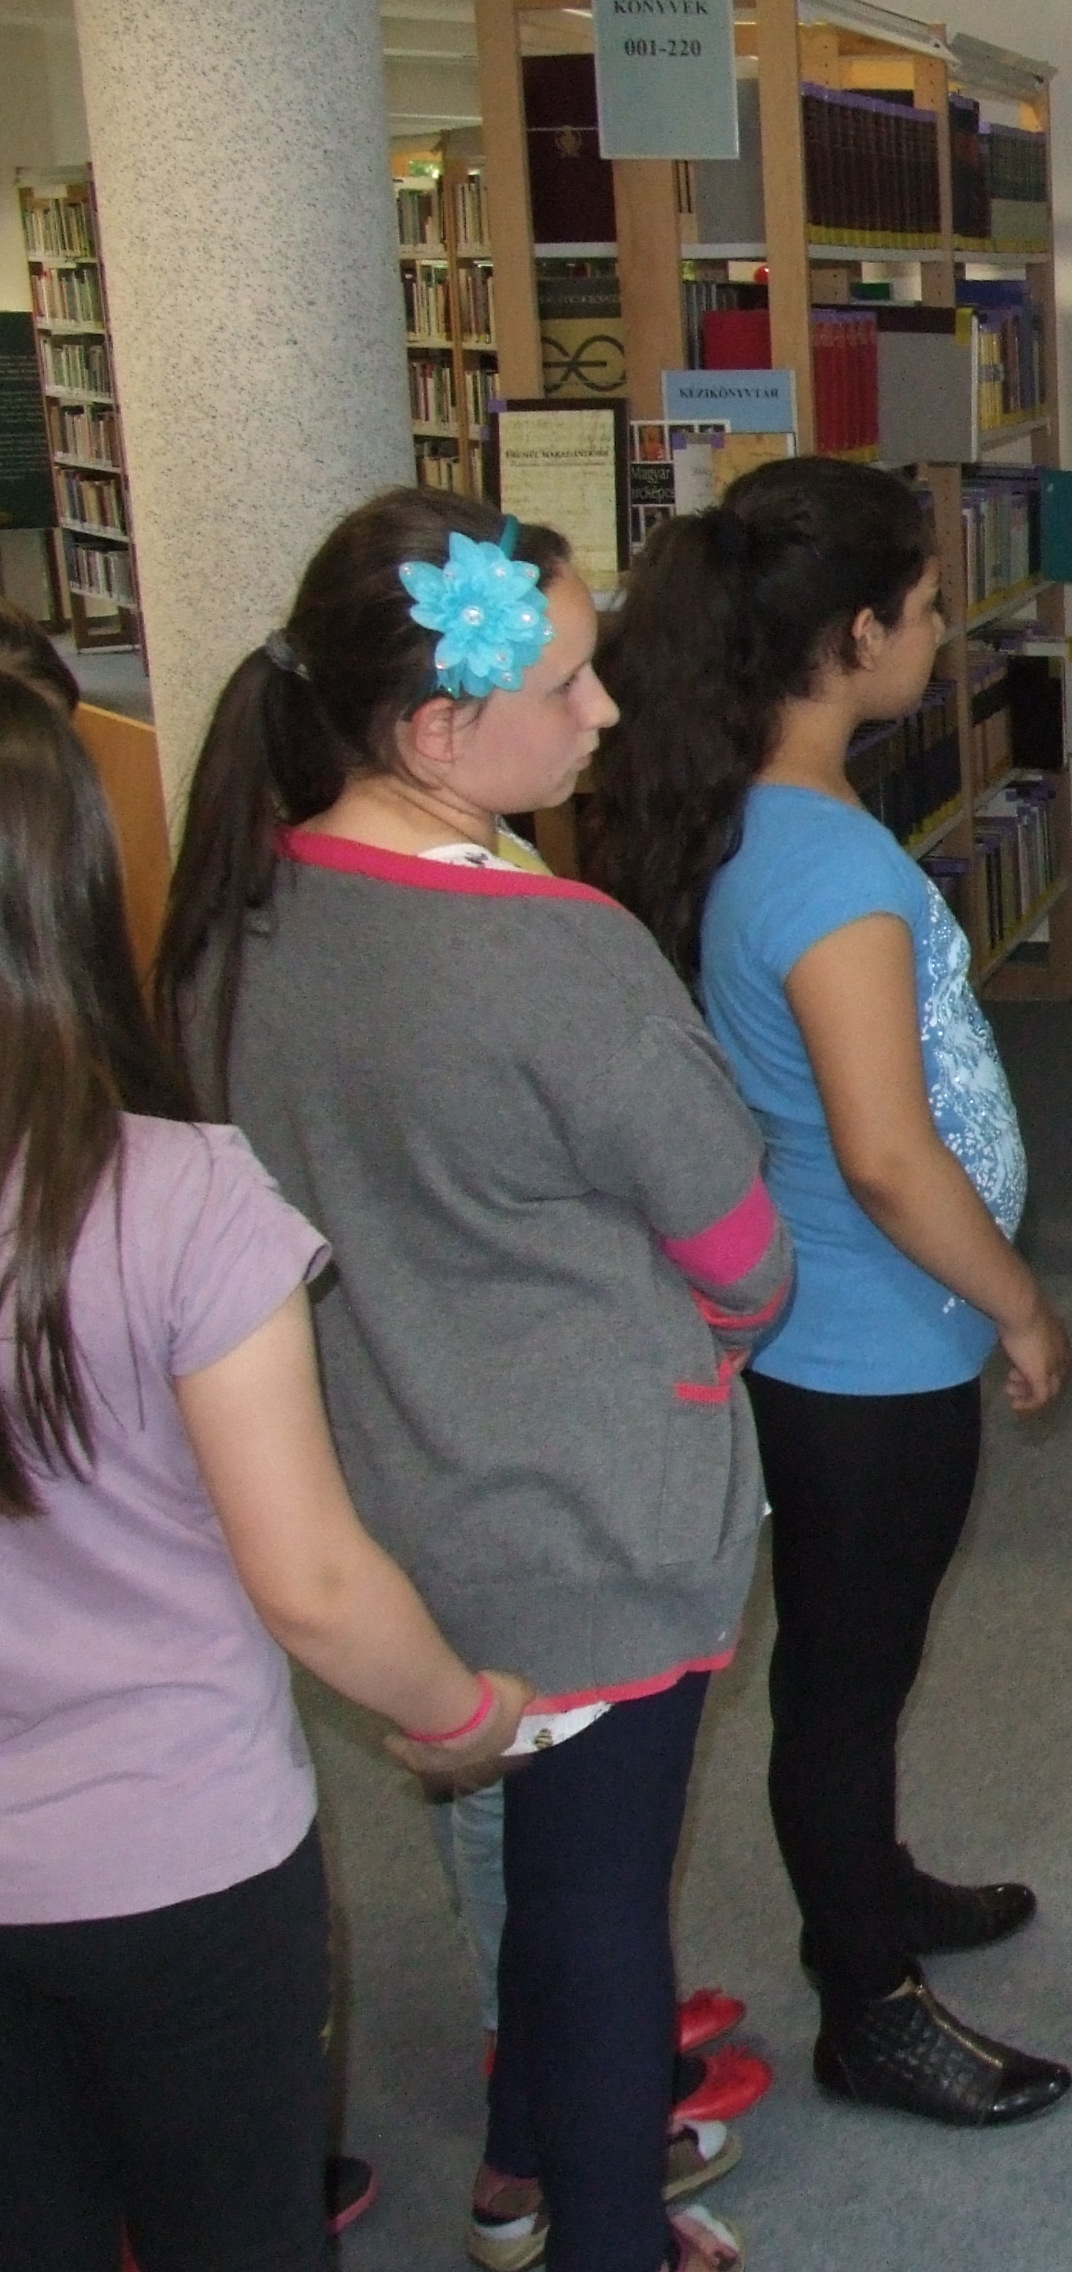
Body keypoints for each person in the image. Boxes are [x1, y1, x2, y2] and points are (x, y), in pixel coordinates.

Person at [154, 492, 791, 2272]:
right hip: (590, 1516)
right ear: (439, 733)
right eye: (568, 683)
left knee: (532, 1870)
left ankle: (519, 2163)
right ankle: (606, 2230)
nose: (605, 712)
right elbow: (742, 1246)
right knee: (599, 1910)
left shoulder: (234, 916)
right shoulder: (555, 946)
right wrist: (707, 1343)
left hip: (377, 1497)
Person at [0, 679, 534, 2272]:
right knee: (236, 2226)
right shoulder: (177, 1198)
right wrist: (457, 1713)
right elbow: (310, 1581)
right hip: (180, 1863)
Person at [590, 457, 1071, 2129]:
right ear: (856, 635)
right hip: (867, 1343)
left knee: (847, 1661)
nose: (941, 635)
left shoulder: (763, 814)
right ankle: (866, 2003)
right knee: (848, 1678)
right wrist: (1019, 1304)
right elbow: (885, 1155)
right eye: (927, 609)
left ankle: (873, 1887)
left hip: (823, 1329)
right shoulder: (831, 874)